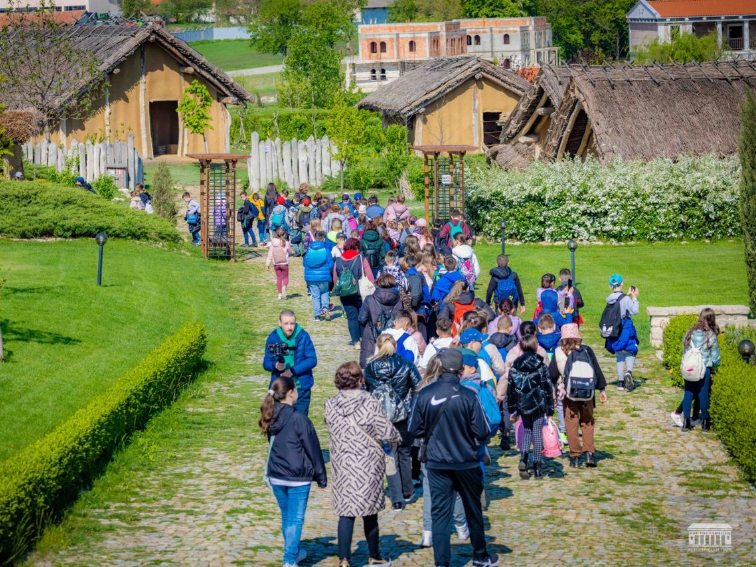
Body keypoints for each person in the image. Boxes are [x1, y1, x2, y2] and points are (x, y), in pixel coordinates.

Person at [409, 349, 499, 567]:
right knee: (473, 509)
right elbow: (483, 431)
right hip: (466, 461)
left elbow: (414, 429)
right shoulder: (469, 396)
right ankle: (480, 556)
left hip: (437, 462)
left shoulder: (424, 394)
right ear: (461, 370)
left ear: (439, 367)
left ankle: (442, 562)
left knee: (440, 513)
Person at [325, 362, 400, 567]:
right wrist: (395, 439)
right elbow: (386, 430)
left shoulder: (330, 404)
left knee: (346, 512)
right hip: (367, 463)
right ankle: (374, 556)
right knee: (370, 512)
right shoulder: (369, 401)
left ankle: (344, 559)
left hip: (343, 462)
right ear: (360, 380)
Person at [260, 377, 327, 567]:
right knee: (295, 519)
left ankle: (294, 552)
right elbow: (313, 449)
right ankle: (289, 560)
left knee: (287, 516)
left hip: (276, 475)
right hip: (298, 476)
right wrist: (321, 477)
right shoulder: (299, 418)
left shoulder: (270, 415)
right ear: (291, 393)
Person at [364, 335, 421, 511]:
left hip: (380, 417)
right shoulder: (406, 364)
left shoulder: (370, 367)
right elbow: (418, 386)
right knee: (404, 452)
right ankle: (407, 490)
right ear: (395, 346)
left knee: (389, 456)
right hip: (402, 415)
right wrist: (409, 406)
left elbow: (366, 391)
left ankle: (397, 498)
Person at [549, 324, 607, 468]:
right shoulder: (587, 351)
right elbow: (596, 370)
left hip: (569, 393)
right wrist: (602, 389)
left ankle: (575, 455)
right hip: (587, 393)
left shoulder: (558, 352)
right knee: (587, 421)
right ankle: (589, 453)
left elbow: (552, 375)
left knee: (571, 422)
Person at [507, 334, 554, 480]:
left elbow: (511, 390)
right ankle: (537, 466)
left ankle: (524, 459)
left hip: (523, 404)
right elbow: (547, 388)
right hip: (538, 403)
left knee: (527, 431)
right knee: (537, 433)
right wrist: (550, 409)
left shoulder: (515, 366)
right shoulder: (541, 365)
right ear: (535, 346)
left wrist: (513, 409)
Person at [262, 310, 318, 415]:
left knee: (300, 422)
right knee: (282, 423)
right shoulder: (273, 337)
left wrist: (292, 371)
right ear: (279, 323)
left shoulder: (303, 336)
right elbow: (266, 362)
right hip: (281, 390)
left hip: (300, 388)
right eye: (286, 323)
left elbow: (312, 360)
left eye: (292, 323)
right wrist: (275, 366)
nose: (289, 327)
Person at [680, 308, 720, 432]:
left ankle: (686, 422)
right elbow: (715, 357)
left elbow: (685, 351)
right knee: (703, 395)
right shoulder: (710, 335)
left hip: (690, 367)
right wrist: (716, 366)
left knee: (688, 393)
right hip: (704, 368)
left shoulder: (690, 332)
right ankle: (705, 423)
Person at [333, 238, 375, 348]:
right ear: (356, 247)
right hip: (360, 292)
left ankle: (356, 342)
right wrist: (373, 285)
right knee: (362, 315)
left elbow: (335, 277)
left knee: (352, 317)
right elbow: (369, 275)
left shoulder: (338, 260)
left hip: (345, 293)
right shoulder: (361, 258)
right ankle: (363, 337)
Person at [358, 274, 404, 367]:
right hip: (391, 338)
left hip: (371, 336)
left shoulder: (370, 299)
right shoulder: (399, 301)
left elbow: (362, 319)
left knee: (369, 367)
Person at [604, 274, 640, 392]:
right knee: (630, 352)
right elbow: (634, 310)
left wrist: (627, 295)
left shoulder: (609, 298)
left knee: (619, 355)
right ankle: (628, 373)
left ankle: (620, 382)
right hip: (626, 330)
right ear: (622, 284)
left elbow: (619, 302)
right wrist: (634, 297)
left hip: (615, 332)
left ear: (610, 287)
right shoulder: (625, 299)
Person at [303, 231, 334, 322]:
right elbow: (331, 265)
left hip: (312, 278)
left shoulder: (309, 251)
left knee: (315, 296)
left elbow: (305, 264)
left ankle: (317, 315)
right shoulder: (326, 251)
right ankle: (325, 308)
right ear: (324, 239)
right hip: (324, 277)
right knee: (324, 293)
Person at [266, 228, 293, 300]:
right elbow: (290, 252)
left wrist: (268, 263)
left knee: (279, 278)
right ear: (284, 235)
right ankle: (284, 286)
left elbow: (270, 253)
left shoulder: (273, 243)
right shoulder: (286, 243)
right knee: (285, 277)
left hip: (276, 263)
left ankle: (279, 294)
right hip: (284, 263)